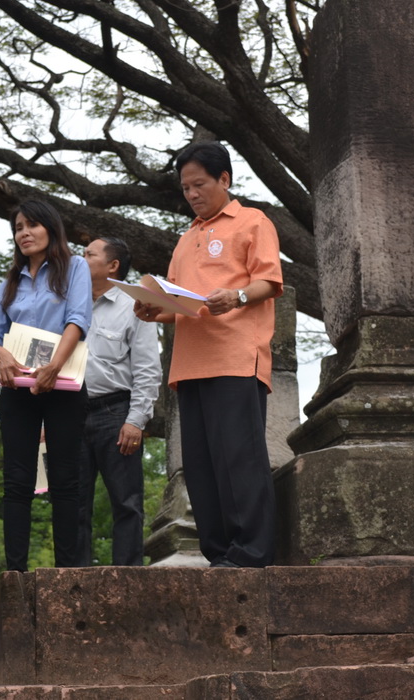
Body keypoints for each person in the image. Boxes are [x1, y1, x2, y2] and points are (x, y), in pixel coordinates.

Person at [133, 142, 282, 568]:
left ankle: (251, 553)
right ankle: (218, 555)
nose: (192, 194)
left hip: (235, 356)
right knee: (199, 466)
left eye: (199, 184)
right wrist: (153, 310)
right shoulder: (186, 239)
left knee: (239, 457)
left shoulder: (253, 221)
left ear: (224, 179)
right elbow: (179, 304)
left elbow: (270, 281)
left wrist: (236, 296)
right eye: (185, 188)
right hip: (189, 364)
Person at [0, 200, 92, 572]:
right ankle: (15, 574)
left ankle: (66, 575)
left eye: (32, 225)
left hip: (63, 385)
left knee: (65, 480)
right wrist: (0, 355)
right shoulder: (9, 281)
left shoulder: (75, 267)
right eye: (18, 228)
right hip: (18, 389)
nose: (24, 233)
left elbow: (78, 319)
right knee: (17, 481)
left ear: (50, 228)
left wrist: (54, 367)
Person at [77, 237, 161, 566]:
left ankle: (128, 578)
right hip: (69, 412)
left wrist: (136, 420)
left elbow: (147, 369)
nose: (80, 258)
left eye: (88, 254)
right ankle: (73, 578)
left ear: (112, 266)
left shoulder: (135, 305)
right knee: (72, 503)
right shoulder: (68, 303)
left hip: (115, 413)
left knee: (126, 502)